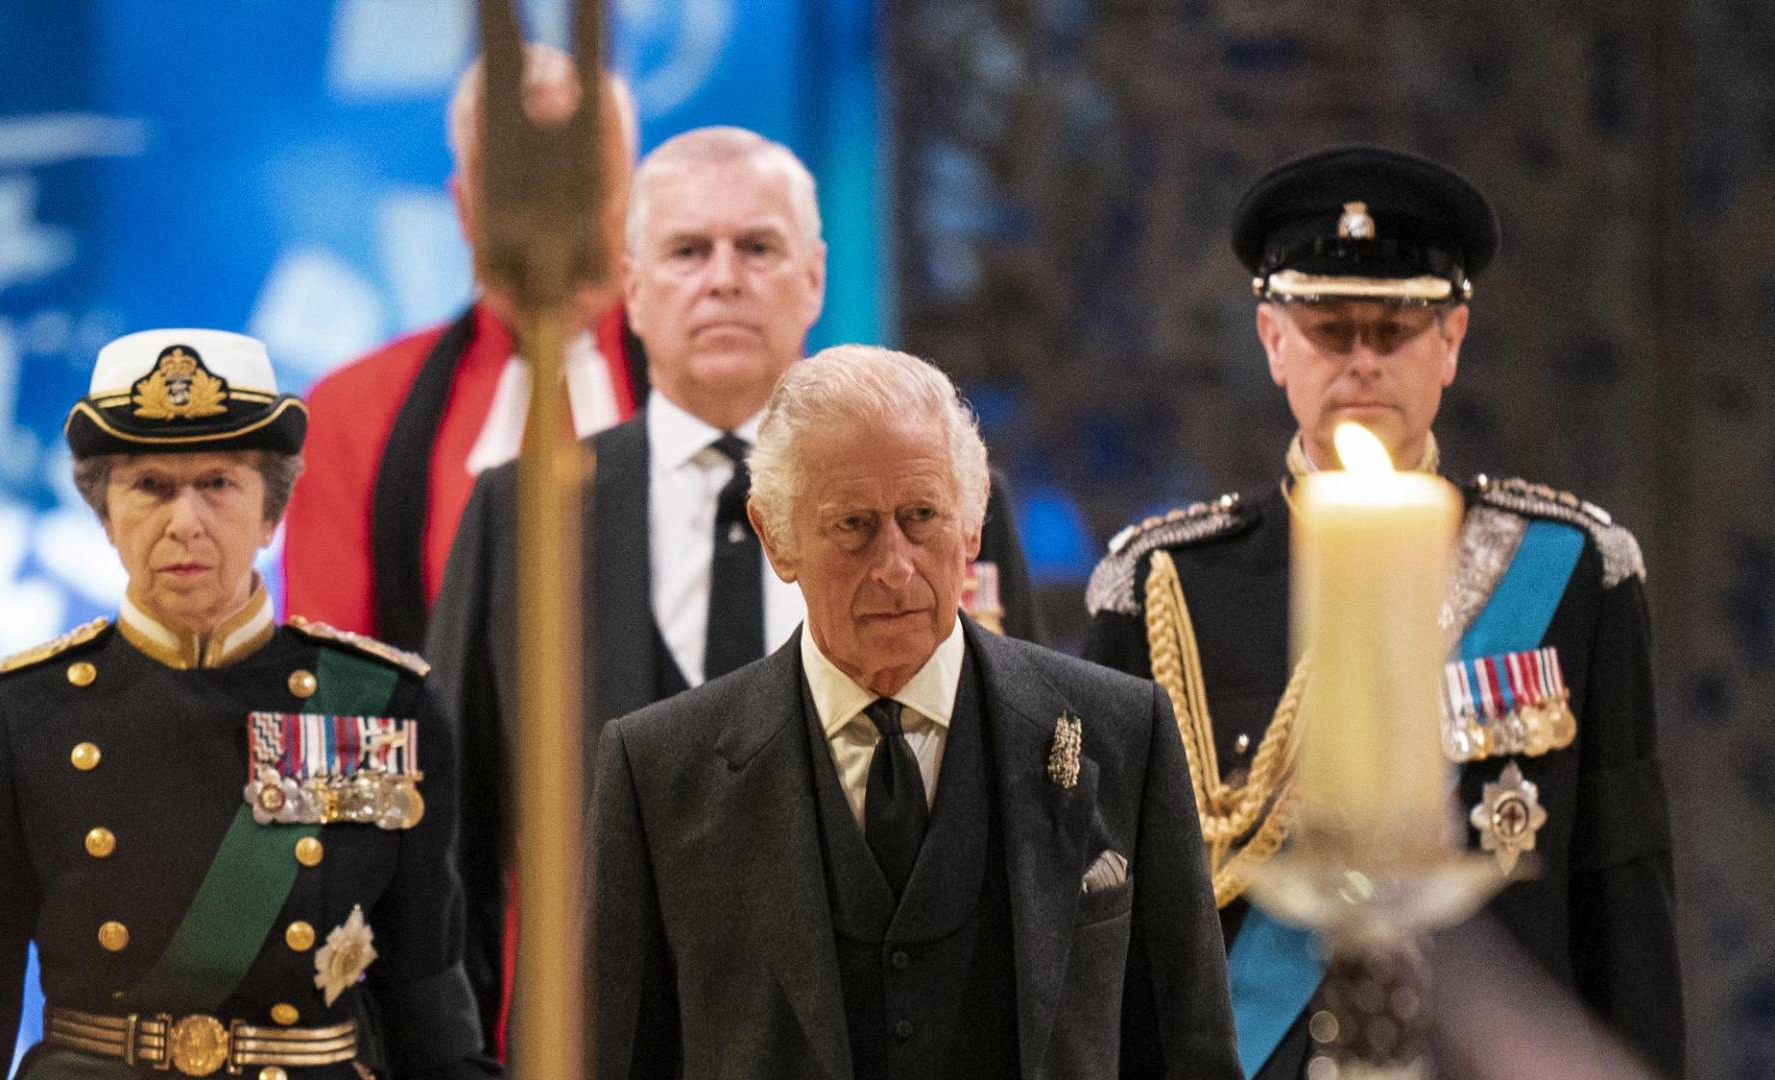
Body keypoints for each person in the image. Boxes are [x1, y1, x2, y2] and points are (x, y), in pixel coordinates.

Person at [426, 125, 1043, 1045]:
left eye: (757, 247)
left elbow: (1023, 791)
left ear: (815, 278)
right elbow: (453, 849)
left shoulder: (941, 501)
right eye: (687, 250)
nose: (723, 278)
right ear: (631, 290)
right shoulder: (522, 515)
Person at [1082, 146, 1682, 1079]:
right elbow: (1111, 937)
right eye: (1330, 328)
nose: (1362, 360)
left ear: (1452, 339)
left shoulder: (1572, 575)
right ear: (1272, 339)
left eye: (1395, 327)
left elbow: (1624, 914)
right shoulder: (1162, 589)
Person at [583, 344, 1241, 1080]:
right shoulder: (658, 776)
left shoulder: (1123, 736)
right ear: (775, 537)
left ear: (972, 526)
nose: (895, 565)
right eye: (854, 525)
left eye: (922, 516)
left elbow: (1192, 1059)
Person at [0, 329, 492, 1079]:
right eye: (150, 486)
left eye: (217, 483)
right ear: (104, 515)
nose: (185, 521)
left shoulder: (380, 705)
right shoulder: (18, 715)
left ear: (272, 513)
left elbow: (426, 994)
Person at [282, 47, 647, 650]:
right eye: (519, 187)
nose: (553, 216)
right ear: (463, 206)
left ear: (631, 199)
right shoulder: (352, 414)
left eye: (582, 180)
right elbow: (335, 695)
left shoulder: (729, 396)